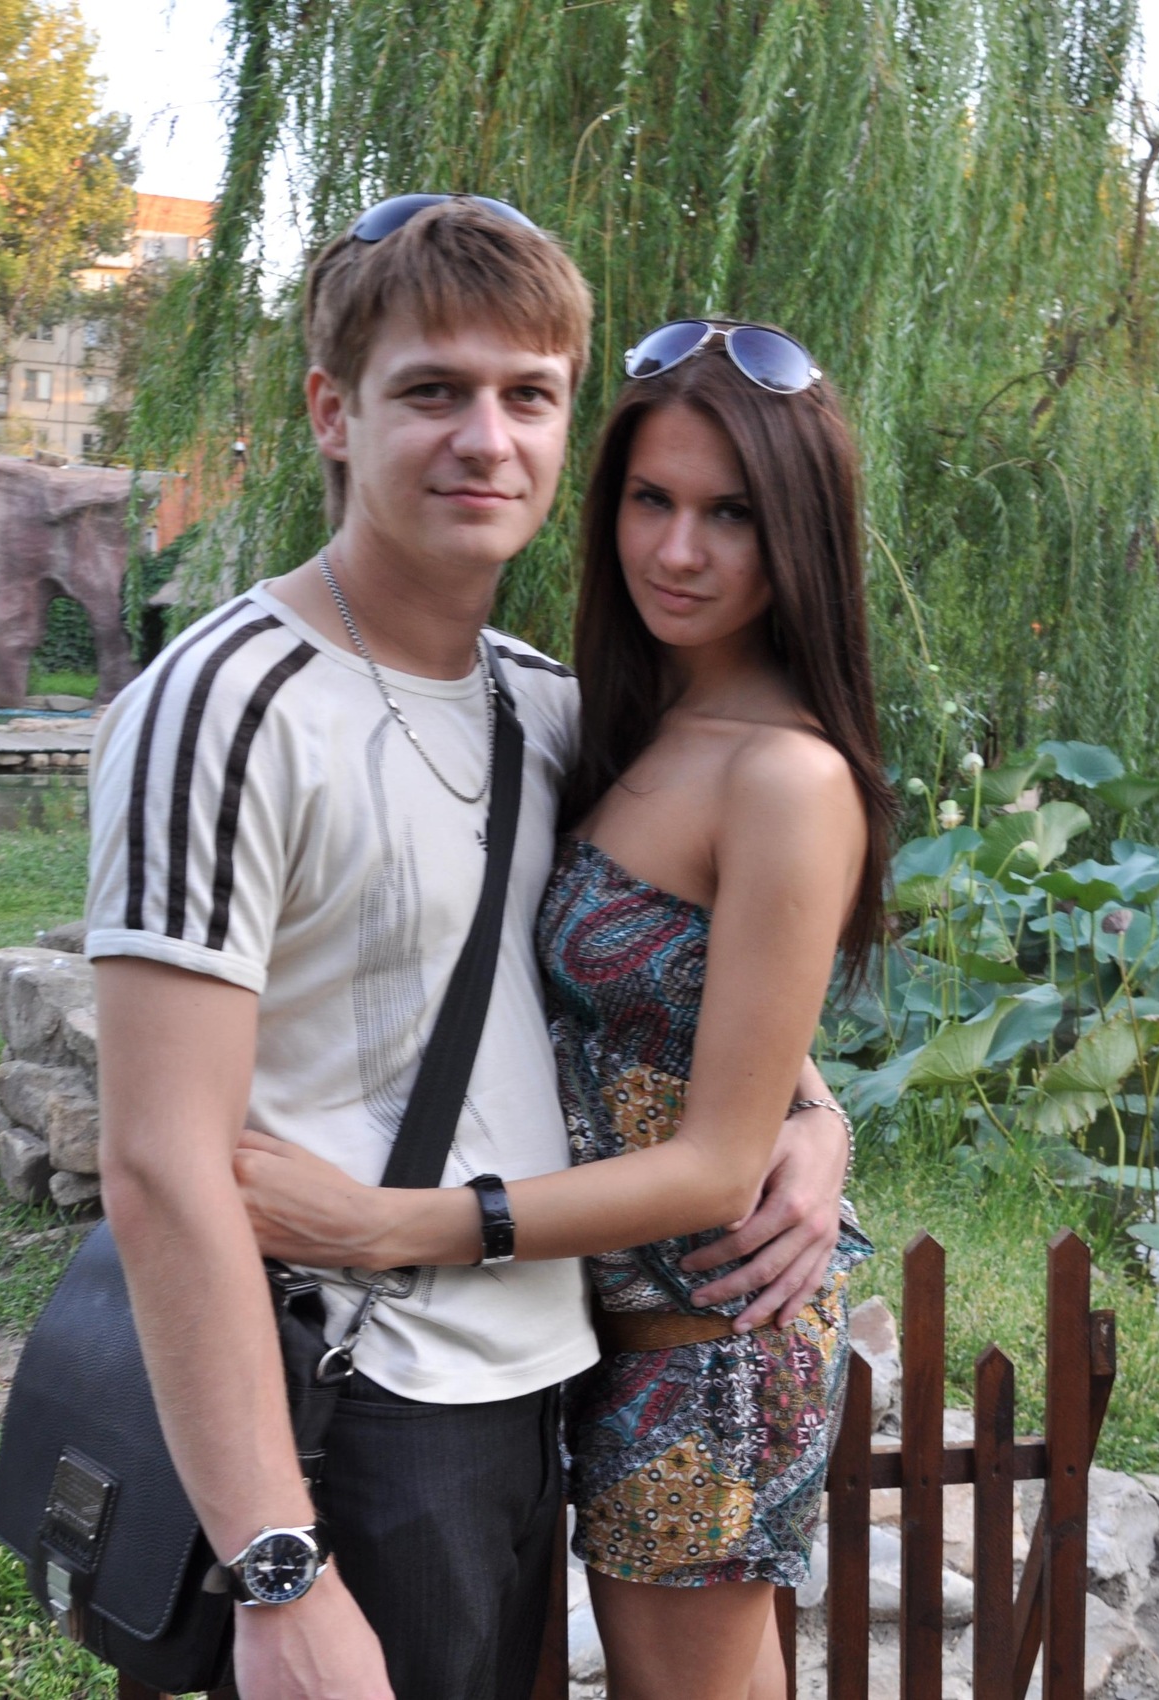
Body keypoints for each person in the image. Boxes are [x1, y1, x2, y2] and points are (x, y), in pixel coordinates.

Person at [89, 197, 852, 1700]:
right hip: (344, 1395)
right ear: (334, 411)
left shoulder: (547, 706)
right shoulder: (227, 704)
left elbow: (682, 990)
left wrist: (816, 1117)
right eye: (434, 390)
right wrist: (275, 1563)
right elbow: (158, 1163)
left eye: (528, 396)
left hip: (540, 1379)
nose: (485, 440)